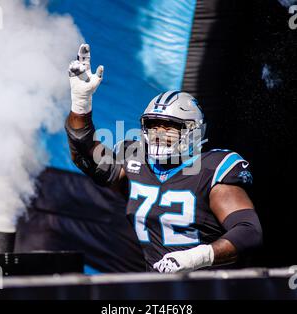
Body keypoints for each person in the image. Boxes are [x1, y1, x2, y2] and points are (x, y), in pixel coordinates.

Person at [65, 44, 263, 273]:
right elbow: (84, 155)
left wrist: (196, 257)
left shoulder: (211, 169)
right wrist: (81, 103)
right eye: (152, 126)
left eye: (168, 127)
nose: (158, 134)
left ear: (192, 131)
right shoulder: (135, 159)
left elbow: (249, 230)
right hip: (160, 289)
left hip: (210, 289)